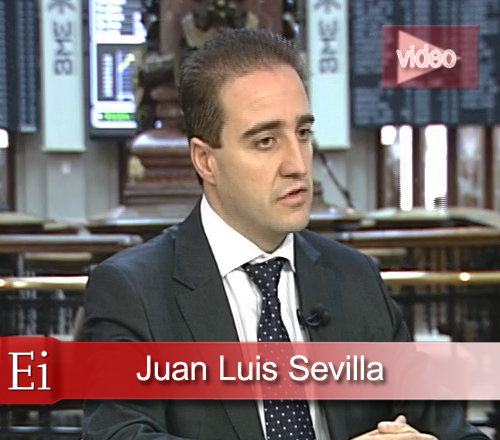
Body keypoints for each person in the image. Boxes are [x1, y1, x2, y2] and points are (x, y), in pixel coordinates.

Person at [83, 29, 487, 440]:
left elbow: (456, 431)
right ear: (205, 160)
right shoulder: (134, 291)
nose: (297, 164)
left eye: (303, 133)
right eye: (265, 141)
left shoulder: (356, 279)